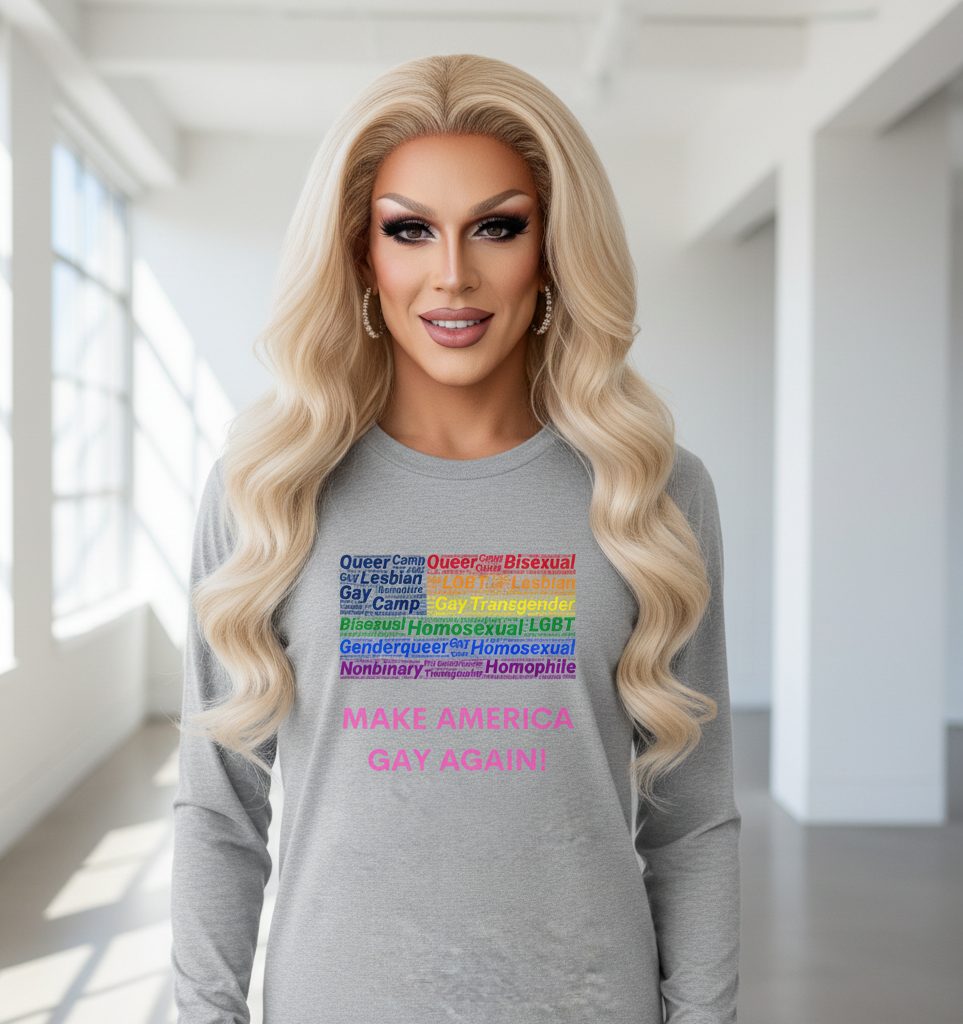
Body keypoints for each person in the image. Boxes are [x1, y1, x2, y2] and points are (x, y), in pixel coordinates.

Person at [171, 53, 740, 1023]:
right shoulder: (265, 491)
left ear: (553, 248)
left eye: (498, 227)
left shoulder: (656, 493)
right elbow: (220, 814)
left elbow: (693, 824)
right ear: (362, 255)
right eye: (409, 230)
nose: (452, 274)